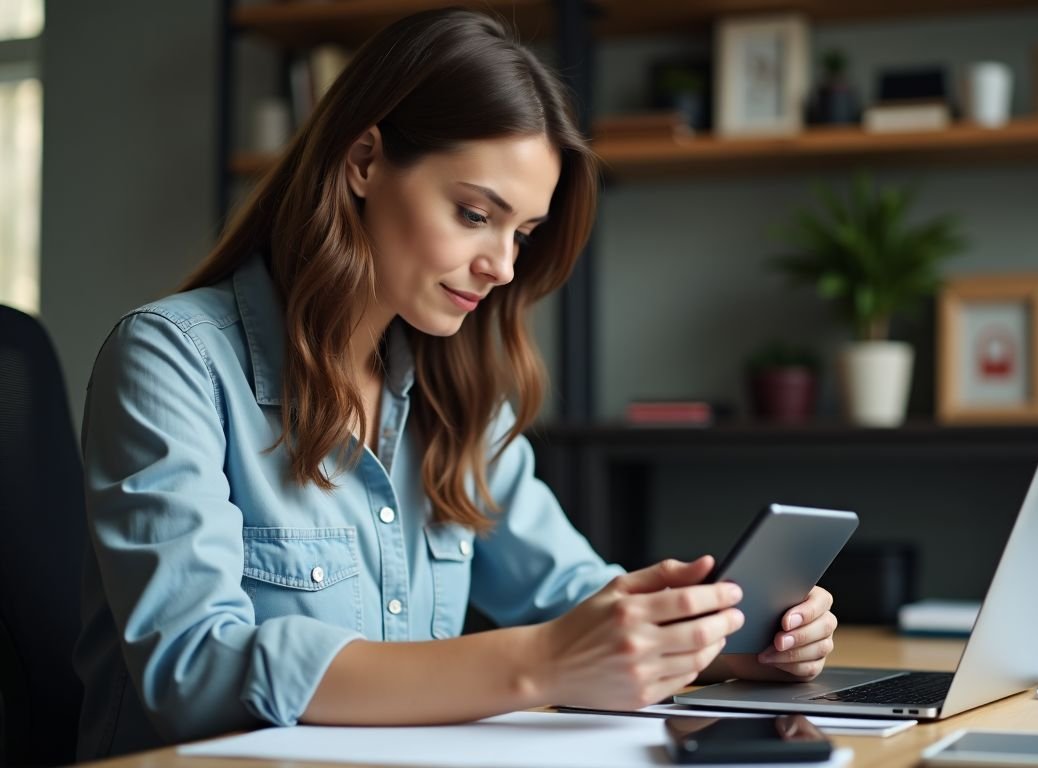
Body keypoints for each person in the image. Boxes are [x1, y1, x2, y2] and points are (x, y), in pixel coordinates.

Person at [74, 9, 837, 759]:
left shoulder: (457, 390)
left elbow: (566, 595)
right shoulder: (173, 360)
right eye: (476, 213)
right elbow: (196, 671)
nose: (503, 266)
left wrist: (726, 645)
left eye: (522, 234)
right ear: (365, 162)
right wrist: (541, 663)